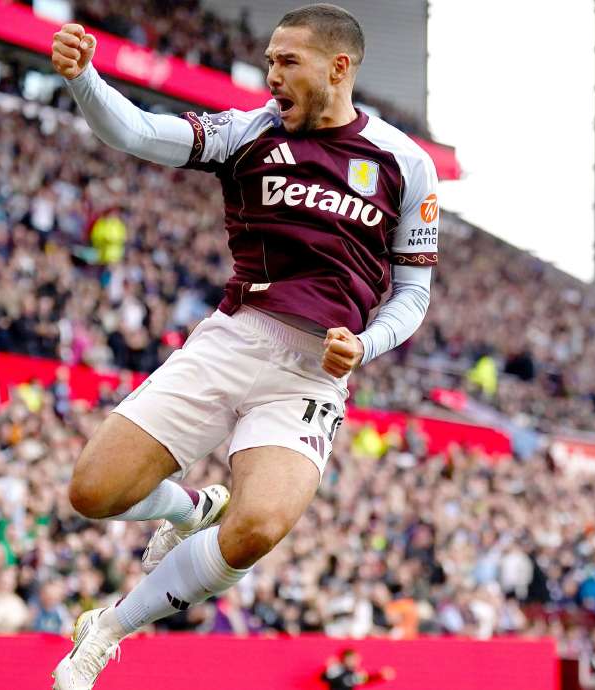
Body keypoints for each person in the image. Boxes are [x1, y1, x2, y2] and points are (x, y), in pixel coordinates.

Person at [48, 5, 439, 687]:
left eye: (287, 61)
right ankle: (189, 507)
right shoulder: (245, 131)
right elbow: (137, 131)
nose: (271, 75)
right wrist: (86, 79)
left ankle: (105, 630)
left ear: (338, 67)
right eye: (268, 61)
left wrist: (369, 344)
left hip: (315, 373)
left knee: (257, 528)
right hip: (234, 338)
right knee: (92, 493)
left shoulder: (406, 163)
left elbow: (413, 292)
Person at [322, 648, 396, 690]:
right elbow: (324, 678)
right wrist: (330, 670)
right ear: (344, 659)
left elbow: (366, 679)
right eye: (352, 659)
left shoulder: (353, 673)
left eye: (356, 659)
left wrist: (380, 676)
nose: (355, 661)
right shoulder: (337, 669)